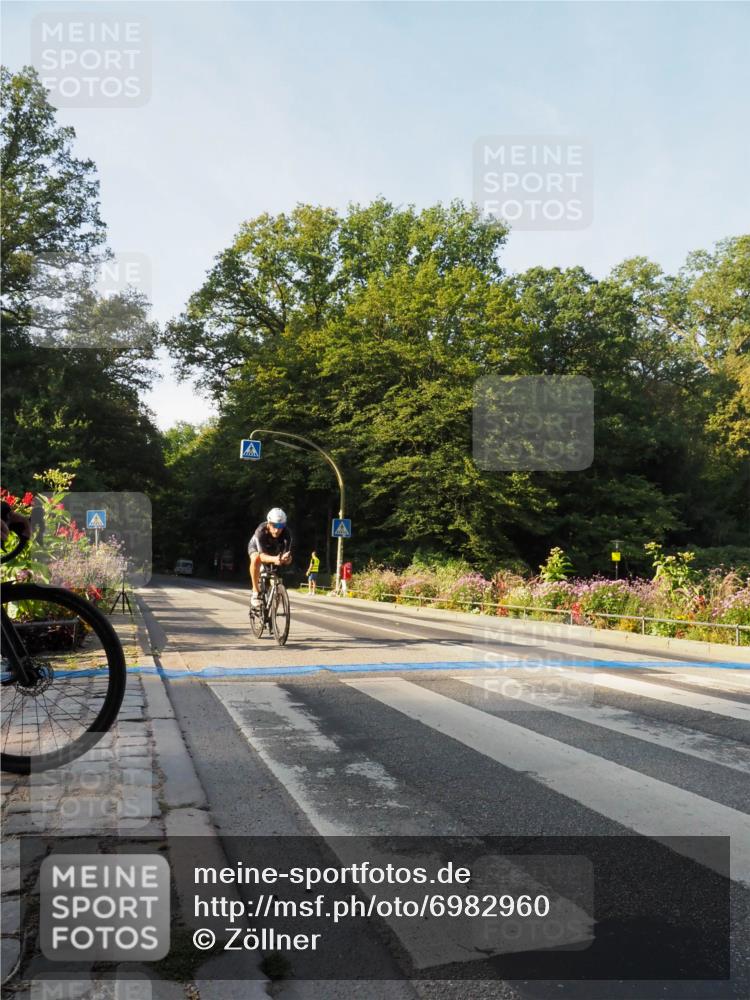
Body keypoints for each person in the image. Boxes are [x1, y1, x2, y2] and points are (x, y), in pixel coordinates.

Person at [248, 507, 292, 608]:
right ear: (268, 523)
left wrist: (287, 559)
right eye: (274, 525)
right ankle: (255, 591)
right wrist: (275, 559)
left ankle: (271, 617)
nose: (277, 530)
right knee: (255, 559)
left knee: (276, 581)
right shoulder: (261, 531)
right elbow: (262, 556)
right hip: (256, 548)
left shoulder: (287, 533)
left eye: (281, 526)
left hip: (274, 551)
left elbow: (287, 556)